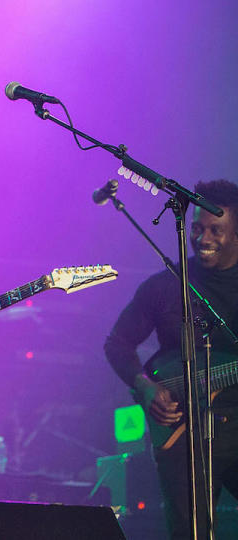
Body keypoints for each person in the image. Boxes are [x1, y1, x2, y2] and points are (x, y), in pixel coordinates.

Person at [104, 179, 238, 540]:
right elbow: (117, 343)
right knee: (188, 533)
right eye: (197, 228)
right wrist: (145, 387)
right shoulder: (166, 285)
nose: (203, 238)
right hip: (183, 432)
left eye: (216, 230)